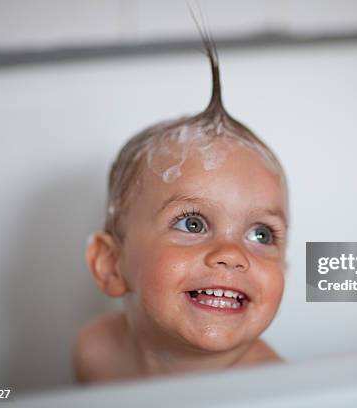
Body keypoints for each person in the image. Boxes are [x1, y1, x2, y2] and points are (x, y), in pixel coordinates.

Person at [73, 29, 289, 384]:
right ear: (111, 265)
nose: (232, 254)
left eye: (261, 233)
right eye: (193, 224)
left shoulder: (275, 388)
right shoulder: (96, 353)